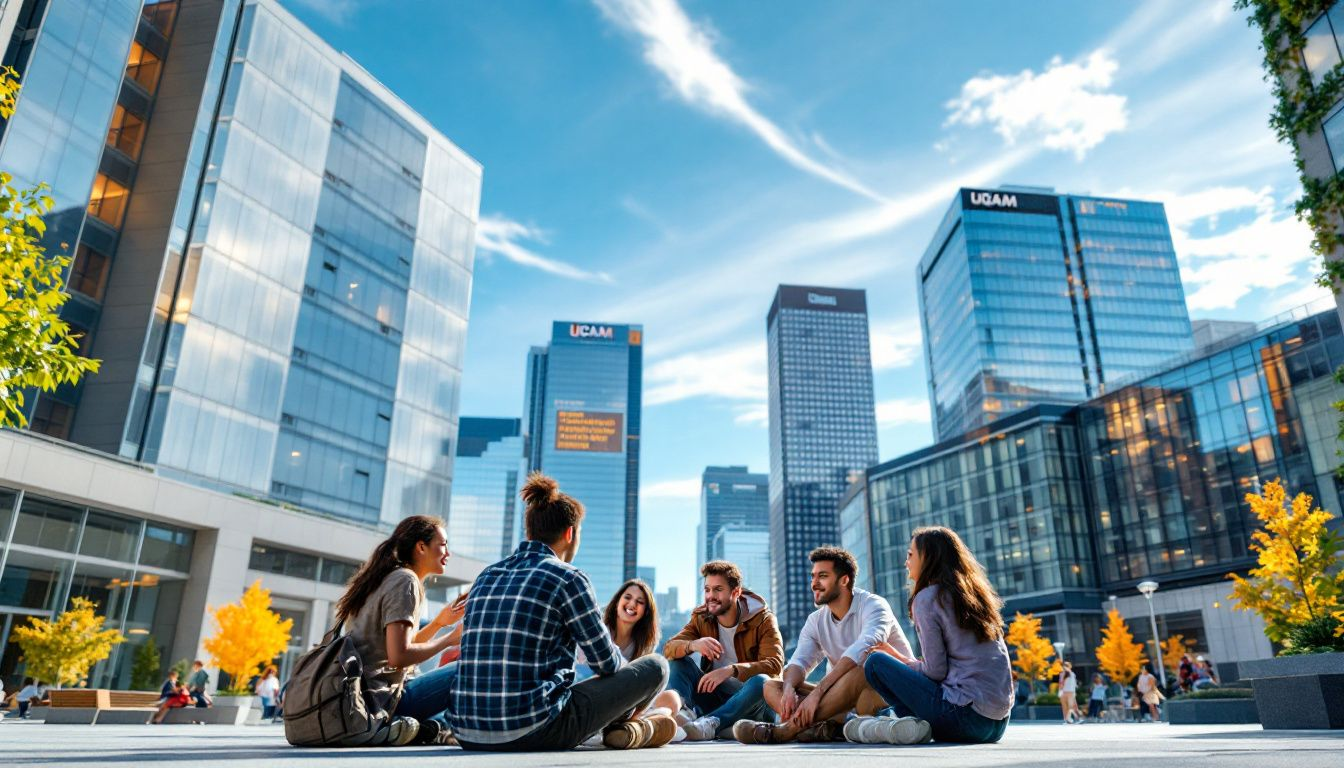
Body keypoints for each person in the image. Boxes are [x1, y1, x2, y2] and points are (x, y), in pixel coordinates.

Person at [449, 473, 675, 752]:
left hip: (467, 732)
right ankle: (628, 728)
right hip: (535, 728)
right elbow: (606, 663)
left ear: (529, 530)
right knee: (657, 666)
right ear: (570, 534)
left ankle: (632, 728)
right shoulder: (569, 578)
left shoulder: (487, 576)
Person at [733, 546, 912, 744]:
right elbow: (799, 661)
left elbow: (865, 648)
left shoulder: (874, 605)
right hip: (840, 700)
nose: (814, 584)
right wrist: (790, 689)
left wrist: (818, 693)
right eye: (813, 577)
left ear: (844, 580)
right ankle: (827, 727)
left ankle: (788, 730)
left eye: (823, 576)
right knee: (771, 686)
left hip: (885, 694)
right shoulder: (816, 620)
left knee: (862, 669)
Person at [852, 526, 1014, 745]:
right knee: (885, 661)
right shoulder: (976, 599)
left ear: (928, 557)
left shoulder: (928, 598)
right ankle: (901, 721)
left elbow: (935, 671)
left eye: (910, 555)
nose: (906, 562)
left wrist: (896, 657)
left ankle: (905, 722)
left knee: (875, 663)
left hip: (965, 719)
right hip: (997, 725)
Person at [336, 514, 467, 746]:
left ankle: (425, 728)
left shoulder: (383, 579)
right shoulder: (405, 581)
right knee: (466, 668)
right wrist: (449, 639)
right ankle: (418, 726)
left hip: (364, 697)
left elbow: (395, 648)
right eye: (443, 545)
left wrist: (438, 623)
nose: (448, 553)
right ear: (421, 547)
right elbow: (399, 656)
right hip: (382, 700)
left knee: (439, 717)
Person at [663, 560, 783, 740]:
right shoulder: (701, 617)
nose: (711, 596)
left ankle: (712, 723)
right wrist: (693, 645)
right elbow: (669, 648)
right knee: (679, 661)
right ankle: (687, 716)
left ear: (736, 592)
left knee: (762, 682)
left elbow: (774, 664)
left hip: (751, 703)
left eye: (718, 589)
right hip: (715, 698)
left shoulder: (763, 619)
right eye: (707, 589)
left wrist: (731, 670)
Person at [577, 579, 683, 719]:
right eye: (627, 597)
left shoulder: (643, 643)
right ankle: (641, 726)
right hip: (588, 697)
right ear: (616, 603)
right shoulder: (598, 630)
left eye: (640, 602)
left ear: (645, 612)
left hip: (624, 702)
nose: (632, 604)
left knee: (672, 698)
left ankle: (637, 726)